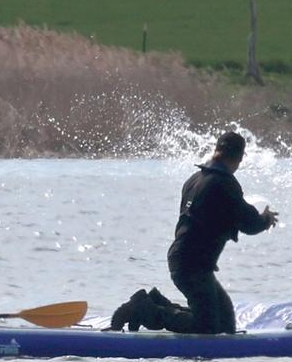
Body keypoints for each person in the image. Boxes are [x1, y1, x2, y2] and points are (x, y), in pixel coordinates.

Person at [110, 131, 277, 334]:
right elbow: (250, 224)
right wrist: (266, 219)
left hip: (188, 261)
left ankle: (154, 302)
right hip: (192, 265)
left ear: (217, 151)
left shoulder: (195, 179)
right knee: (207, 328)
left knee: (224, 325)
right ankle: (144, 309)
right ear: (240, 158)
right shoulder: (225, 184)